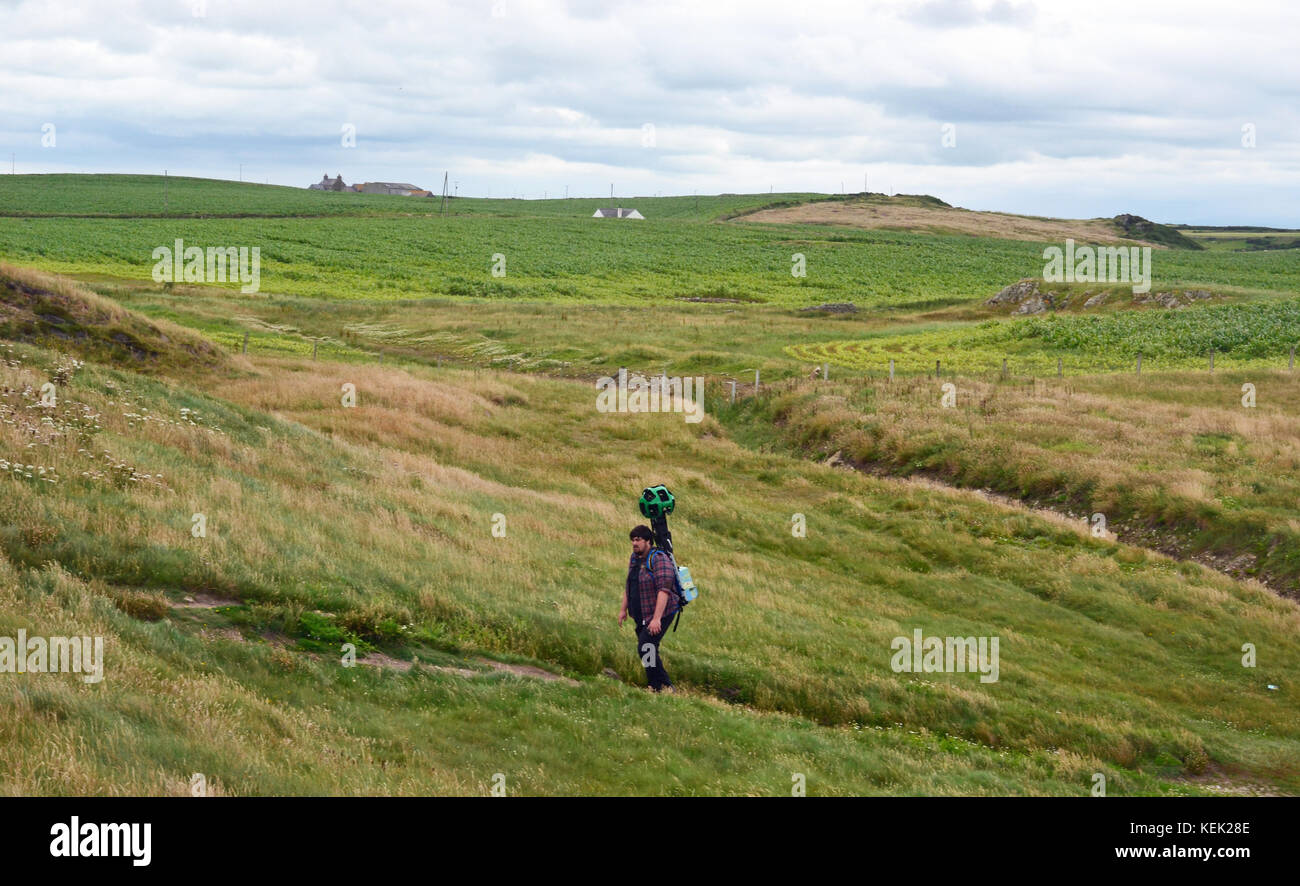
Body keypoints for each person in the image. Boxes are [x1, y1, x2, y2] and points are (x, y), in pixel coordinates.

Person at [619, 524, 679, 692]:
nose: (634, 543)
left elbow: (664, 590)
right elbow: (629, 583)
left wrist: (657, 618)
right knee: (648, 648)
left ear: (648, 541)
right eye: (632, 540)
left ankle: (665, 685)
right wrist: (623, 610)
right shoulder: (635, 558)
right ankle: (655, 686)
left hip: (662, 612)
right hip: (642, 614)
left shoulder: (659, 559)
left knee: (645, 646)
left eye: (638, 540)